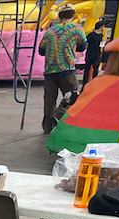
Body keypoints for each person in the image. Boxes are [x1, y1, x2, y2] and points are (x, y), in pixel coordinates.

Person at [38, 3, 86, 133]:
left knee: (49, 99)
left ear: (59, 16)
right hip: (66, 69)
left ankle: (47, 126)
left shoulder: (50, 31)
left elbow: (41, 51)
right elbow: (82, 46)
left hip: (49, 70)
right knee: (72, 95)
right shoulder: (76, 29)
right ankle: (59, 114)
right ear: (72, 15)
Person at [82, 19, 104, 85]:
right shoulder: (91, 34)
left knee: (95, 68)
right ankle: (85, 81)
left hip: (96, 54)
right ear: (100, 27)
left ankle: (93, 80)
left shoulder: (101, 36)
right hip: (91, 53)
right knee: (87, 68)